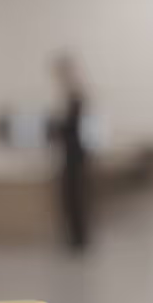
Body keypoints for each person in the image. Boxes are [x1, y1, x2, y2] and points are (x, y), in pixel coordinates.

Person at [52, 51, 90, 253]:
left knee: (74, 198)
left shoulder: (74, 95)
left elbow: (69, 128)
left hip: (74, 155)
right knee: (71, 198)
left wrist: (56, 129)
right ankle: (75, 237)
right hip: (71, 154)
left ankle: (78, 239)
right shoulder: (71, 95)